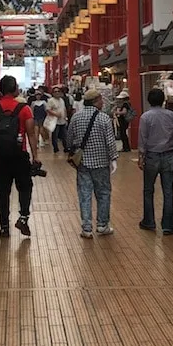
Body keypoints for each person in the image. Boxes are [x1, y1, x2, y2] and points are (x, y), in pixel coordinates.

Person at [0, 75, 38, 238]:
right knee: (25, 187)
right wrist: (35, 156)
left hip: (0, 157)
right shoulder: (24, 109)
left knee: (2, 191)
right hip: (19, 155)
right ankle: (23, 217)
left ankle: (4, 227)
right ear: (15, 89)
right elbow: (31, 134)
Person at [67, 89, 118, 239]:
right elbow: (110, 141)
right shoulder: (104, 118)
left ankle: (87, 228)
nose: (103, 102)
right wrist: (113, 158)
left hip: (82, 163)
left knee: (84, 194)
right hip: (101, 163)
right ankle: (102, 225)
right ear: (96, 100)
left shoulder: (76, 117)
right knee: (103, 193)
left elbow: (69, 138)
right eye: (101, 100)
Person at [138, 89, 173, 235]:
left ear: (149, 100)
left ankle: (149, 221)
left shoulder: (145, 117)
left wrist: (141, 156)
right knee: (168, 191)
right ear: (163, 100)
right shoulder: (171, 116)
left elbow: (142, 138)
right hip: (169, 156)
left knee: (148, 190)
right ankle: (168, 226)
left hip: (151, 156)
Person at [46, 85, 68, 153]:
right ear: (53, 93)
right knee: (55, 135)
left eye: (58, 91)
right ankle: (55, 148)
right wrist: (55, 114)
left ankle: (66, 147)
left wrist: (65, 117)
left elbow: (64, 109)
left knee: (64, 135)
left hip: (62, 120)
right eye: (55, 92)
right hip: (55, 121)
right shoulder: (51, 101)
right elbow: (48, 109)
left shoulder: (62, 100)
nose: (57, 93)